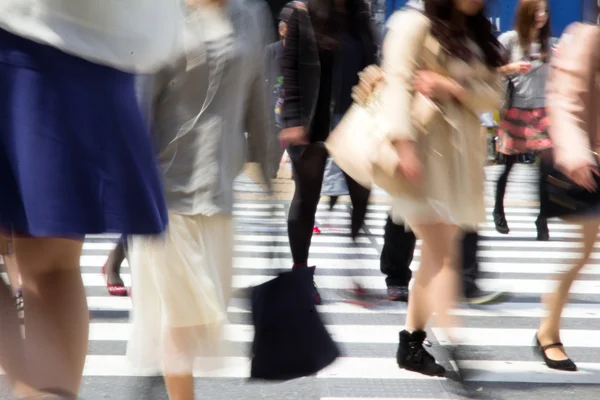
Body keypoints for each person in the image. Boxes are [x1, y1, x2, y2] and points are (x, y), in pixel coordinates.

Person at [0, 1, 183, 398]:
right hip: (101, 50)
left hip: (19, 35)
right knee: (52, 269)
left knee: (49, 271)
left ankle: (35, 386)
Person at [126, 1, 272, 399]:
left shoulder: (251, 14)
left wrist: (267, 161)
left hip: (219, 192)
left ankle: (170, 380)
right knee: (182, 320)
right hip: (164, 193)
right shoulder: (161, 13)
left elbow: (258, 90)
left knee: (197, 322)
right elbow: (138, 103)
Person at [367, 0, 504, 376]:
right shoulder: (413, 24)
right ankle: (441, 339)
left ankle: (414, 341)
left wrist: (451, 85)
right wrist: (404, 145)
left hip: (459, 161)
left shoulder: (476, 32)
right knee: (442, 254)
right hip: (423, 154)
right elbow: (396, 83)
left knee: (437, 255)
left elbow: (493, 95)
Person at [280, 0, 376, 304]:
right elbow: (290, 70)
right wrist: (294, 120)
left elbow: (372, 63)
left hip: (355, 121)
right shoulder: (302, 13)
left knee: (361, 195)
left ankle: (355, 271)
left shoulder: (359, 12)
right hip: (313, 121)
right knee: (307, 198)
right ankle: (300, 274)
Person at [536, 22, 600, 372]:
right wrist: (575, 152)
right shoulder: (588, 37)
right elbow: (564, 99)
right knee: (584, 255)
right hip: (590, 167)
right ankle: (548, 330)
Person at [494, 0, 556, 240]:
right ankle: (498, 210)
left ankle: (542, 219)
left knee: (545, 169)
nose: (541, 15)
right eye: (537, 11)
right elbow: (493, 70)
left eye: (545, 11)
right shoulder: (509, 40)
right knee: (508, 167)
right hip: (515, 111)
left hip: (542, 112)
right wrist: (511, 67)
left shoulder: (550, 44)